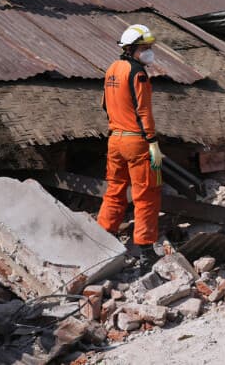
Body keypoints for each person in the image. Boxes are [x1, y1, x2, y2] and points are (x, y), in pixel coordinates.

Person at [97, 24, 165, 270]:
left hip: (115, 138)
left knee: (115, 190)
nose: (149, 52)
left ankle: (105, 241)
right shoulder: (138, 74)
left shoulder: (112, 69)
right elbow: (143, 111)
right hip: (137, 141)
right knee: (147, 194)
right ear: (132, 49)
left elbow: (105, 105)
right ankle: (146, 251)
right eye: (145, 48)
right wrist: (153, 142)